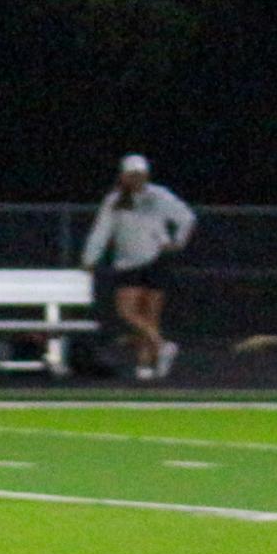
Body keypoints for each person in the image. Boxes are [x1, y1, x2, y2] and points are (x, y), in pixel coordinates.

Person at [80, 153, 196, 382]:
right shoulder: (114, 201)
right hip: (127, 263)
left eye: (140, 174)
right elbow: (101, 231)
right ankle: (162, 347)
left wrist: (178, 242)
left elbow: (186, 217)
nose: (136, 179)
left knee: (150, 316)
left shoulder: (159, 196)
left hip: (156, 260)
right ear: (123, 176)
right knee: (128, 312)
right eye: (131, 174)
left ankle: (145, 366)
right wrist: (90, 257)